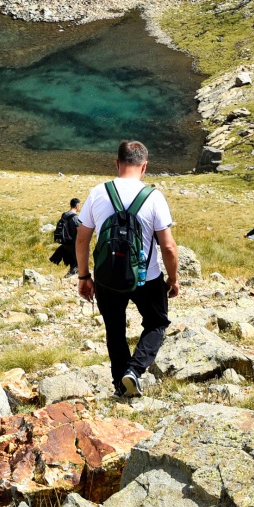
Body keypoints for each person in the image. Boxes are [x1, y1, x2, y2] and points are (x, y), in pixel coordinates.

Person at [75, 140, 178, 399]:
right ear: (144, 166)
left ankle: (120, 385)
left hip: (107, 278)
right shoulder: (153, 197)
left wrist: (84, 276)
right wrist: (173, 279)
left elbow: (82, 239)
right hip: (147, 278)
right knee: (157, 323)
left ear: (117, 163)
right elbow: (168, 247)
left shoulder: (98, 192)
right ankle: (133, 371)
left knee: (115, 329)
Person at [48, 198, 83, 270]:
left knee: (72, 261)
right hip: (73, 243)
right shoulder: (75, 218)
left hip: (65, 243)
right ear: (77, 206)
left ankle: (71, 275)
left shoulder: (64, 215)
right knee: (77, 262)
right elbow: (80, 232)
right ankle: (72, 276)